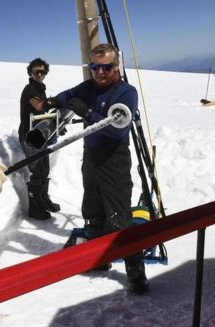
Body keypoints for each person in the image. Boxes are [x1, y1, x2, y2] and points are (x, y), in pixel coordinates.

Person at [47, 43, 149, 295]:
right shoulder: (89, 87)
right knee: (93, 210)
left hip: (114, 158)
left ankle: (135, 274)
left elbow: (118, 130)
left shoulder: (126, 92)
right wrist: (51, 102)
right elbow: (69, 94)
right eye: (95, 67)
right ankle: (99, 259)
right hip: (91, 156)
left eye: (107, 67)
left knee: (119, 216)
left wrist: (89, 112)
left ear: (117, 66)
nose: (100, 72)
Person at [18, 58, 61, 220]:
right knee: (37, 171)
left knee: (45, 169)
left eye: (43, 71)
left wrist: (56, 123)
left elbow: (42, 114)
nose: (40, 74)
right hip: (29, 137)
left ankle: (43, 199)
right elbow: (38, 106)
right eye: (36, 71)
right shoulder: (30, 89)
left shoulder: (40, 89)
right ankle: (34, 207)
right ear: (30, 73)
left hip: (40, 134)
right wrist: (57, 101)